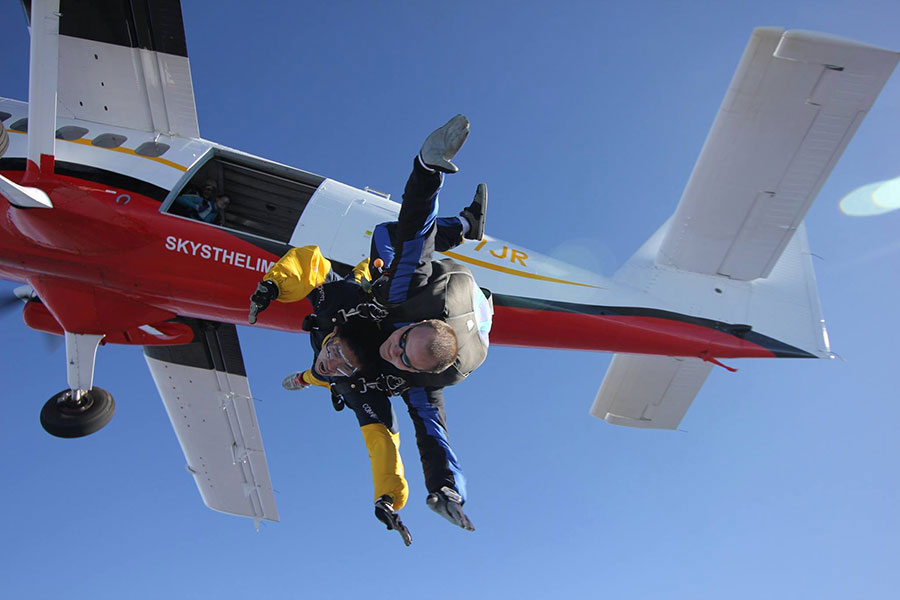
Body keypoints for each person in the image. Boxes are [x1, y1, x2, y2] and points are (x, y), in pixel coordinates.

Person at [250, 115, 492, 543]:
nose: (392, 356)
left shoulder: (382, 382)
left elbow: (396, 445)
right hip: (368, 285)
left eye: (403, 360)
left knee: (327, 382)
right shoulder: (380, 305)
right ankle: (467, 226)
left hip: (362, 347)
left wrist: (425, 493)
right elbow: (313, 261)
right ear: (405, 327)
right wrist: (427, 168)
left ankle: (467, 226)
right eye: (401, 345)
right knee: (388, 237)